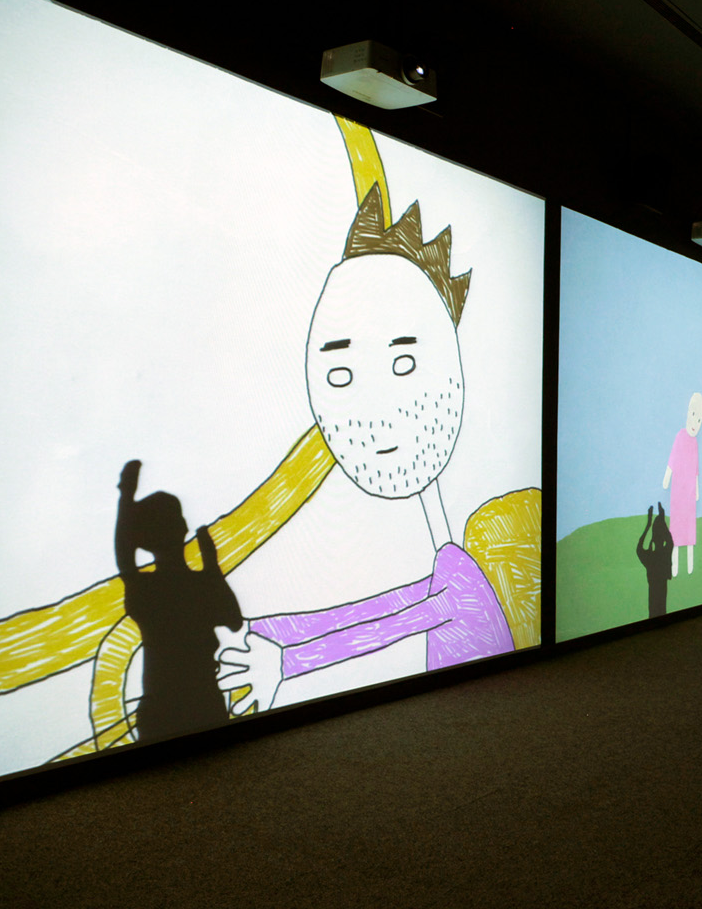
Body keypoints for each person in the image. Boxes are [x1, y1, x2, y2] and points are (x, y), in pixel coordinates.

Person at [218, 184, 513, 713]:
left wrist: (287, 663)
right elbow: (367, 613)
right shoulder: (447, 562)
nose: (376, 411)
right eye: (340, 374)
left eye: (404, 365)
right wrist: (257, 628)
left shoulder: (459, 578)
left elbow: (392, 625)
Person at [115, 459, 243, 741]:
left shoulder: (146, 588)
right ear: (183, 527)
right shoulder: (197, 584)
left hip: (169, 707)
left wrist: (126, 496)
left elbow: (124, 558)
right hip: (201, 703)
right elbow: (233, 620)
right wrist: (212, 568)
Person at [662, 392, 702, 577]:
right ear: (688, 413)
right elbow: (673, 458)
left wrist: (697, 487)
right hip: (678, 490)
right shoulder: (680, 436)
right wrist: (667, 477)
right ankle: (675, 566)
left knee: (689, 527)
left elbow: (696, 467)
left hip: (690, 492)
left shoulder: (695, 443)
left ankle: (690, 565)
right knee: (677, 527)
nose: (695, 423)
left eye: (699, 419)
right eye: (694, 416)